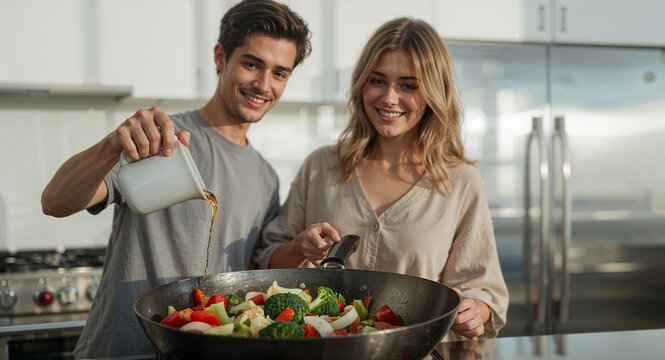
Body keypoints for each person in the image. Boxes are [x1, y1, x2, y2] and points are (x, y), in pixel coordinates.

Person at [40, 0, 311, 356]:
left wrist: (302, 248)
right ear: (220, 57)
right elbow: (55, 202)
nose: (263, 84)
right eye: (251, 64)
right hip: (122, 350)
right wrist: (111, 144)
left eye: (280, 73)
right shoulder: (161, 138)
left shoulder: (266, 177)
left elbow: (254, 274)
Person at [254, 17, 508, 341]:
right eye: (377, 81)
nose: (389, 98)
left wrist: (478, 310)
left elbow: (483, 288)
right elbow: (267, 261)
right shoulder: (321, 167)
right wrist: (299, 246)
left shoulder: (461, 182)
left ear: (433, 92)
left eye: (408, 85)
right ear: (361, 84)